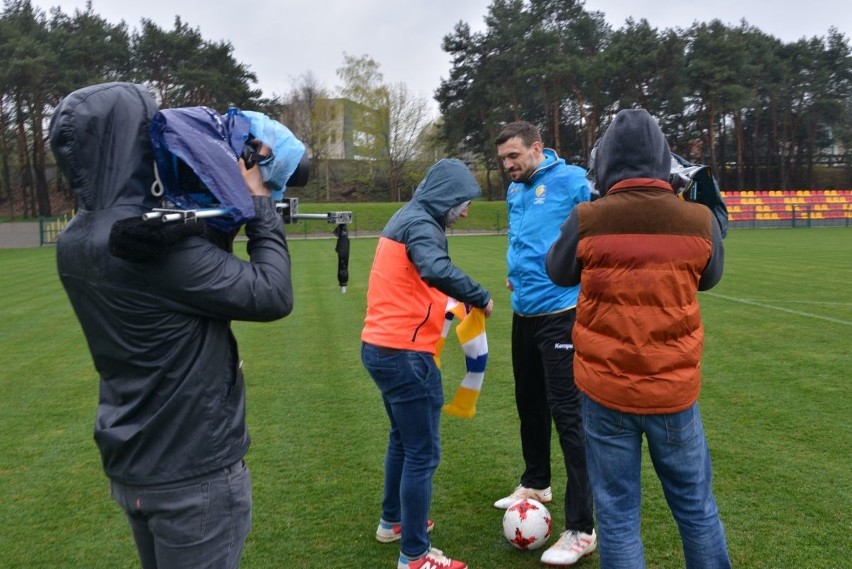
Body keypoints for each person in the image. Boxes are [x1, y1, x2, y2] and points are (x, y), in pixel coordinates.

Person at [49, 82, 294, 569]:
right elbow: (271, 293)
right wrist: (258, 200)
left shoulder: (76, 240)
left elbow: (175, 292)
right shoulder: (153, 246)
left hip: (135, 461)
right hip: (193, 473)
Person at [545, 108, 731, 568]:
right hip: (673, 392)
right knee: (695, 508)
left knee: (618, 514)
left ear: (606, 161)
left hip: (606, 391)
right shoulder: (697, 220)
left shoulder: (589, 217)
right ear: (663, 159)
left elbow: (557, 269)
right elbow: (710, 277)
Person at [361, 159, 494, 569]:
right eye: (463, 202)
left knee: (402, 440)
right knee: (422, 453)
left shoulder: (407, 217)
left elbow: (420, 279)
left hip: (380, 348)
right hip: (405, 354)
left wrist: (460, 298)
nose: (467, 211)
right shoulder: (422, 224)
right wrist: (480, 294)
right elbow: (435, 269)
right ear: (447, 198)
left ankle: (394, 522)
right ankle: (414, 556)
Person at [494, 121, 597, 566]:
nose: (508, 166)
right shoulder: (516, 191)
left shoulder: (573, 181)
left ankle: (583, 528)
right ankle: (536, 480)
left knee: (568, 415)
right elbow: (525, 242)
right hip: (525, 313)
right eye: (502, 159)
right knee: (528, 402)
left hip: (561, 313)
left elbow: (600, 228)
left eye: (514, 156)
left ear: (537, 148)